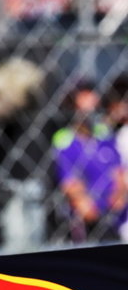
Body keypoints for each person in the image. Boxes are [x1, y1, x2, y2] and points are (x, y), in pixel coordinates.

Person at [51, 79, 126, 243]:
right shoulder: (65, 141)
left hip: (116, 215)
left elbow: (119, 171)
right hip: (86, 220)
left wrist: (118, 197)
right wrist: (89, 207)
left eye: (94, 108)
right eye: (84, 110)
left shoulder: (104, 136)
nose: (90, 115)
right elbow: (70, 183)